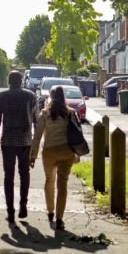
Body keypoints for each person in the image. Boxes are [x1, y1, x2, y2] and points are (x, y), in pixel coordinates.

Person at [0, 70, 37, 223]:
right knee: (24, 173)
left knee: (8, 176)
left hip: (8, 141)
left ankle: (10, 211)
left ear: (9, 81)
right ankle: (23, 202)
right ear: (21, 81)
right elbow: (36, 119)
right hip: (25, 141)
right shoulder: (30, 96)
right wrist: (35, 142)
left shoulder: (2, 97)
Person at [29, 85, 78, 231]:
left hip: (49, 152)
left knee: (49, 180)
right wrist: (77, 153)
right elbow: (76, 134)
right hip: (66, 152)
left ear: (50, 97)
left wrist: (33, 155)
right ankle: (59, 219)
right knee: (62, 184)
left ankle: (50, 212)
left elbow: (37, 136)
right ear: (64, 97)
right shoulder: (70, 113)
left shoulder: (45, 114)